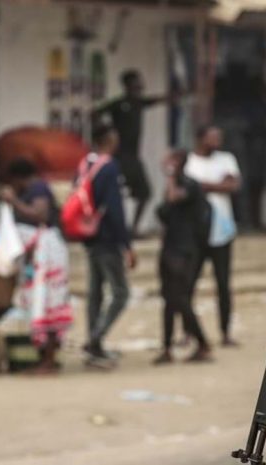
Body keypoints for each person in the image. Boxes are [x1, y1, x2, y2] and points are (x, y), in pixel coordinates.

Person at [0, 158, 72, 373]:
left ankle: (48, 360)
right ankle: (44, 357)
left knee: (48, 305)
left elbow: (40, 214)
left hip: (49, 258)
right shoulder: (29, 191)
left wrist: (14, 202)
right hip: (37, 258)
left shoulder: (38, 188)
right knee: (37, 305)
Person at [83, 124, 137, 368]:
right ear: (109, 140)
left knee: (95, 292)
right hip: (107, 239)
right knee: (121, 292)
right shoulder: (109, 167)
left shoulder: (85, 165)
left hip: (89, 236)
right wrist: (126, 244)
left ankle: (94, 345)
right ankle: (95, 340)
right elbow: (115, 209)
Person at [92, 69, 170, 236]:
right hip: (119, 156)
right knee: (114, 194)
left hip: (134, 156)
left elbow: (155, 100)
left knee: (144, 193)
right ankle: (112, 228)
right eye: (137, 82)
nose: (140, 85)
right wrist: (105, 134)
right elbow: (95, 113)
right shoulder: (119, 104)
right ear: (128, 85)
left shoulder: (138, 103)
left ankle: (133, 229)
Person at [153, 149, 212, 364]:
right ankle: (167, 347)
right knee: (168, 300)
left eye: (170, 159)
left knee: (180, 298)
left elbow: (174, 198)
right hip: (170, 247)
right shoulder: (174, 184)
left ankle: (203, 343)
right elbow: (165, 213)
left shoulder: (188, 184)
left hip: (184, 250)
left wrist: (169, 176)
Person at [185, 125, 241, 347]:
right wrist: (218, 184)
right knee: (189, 284)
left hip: (222, 231)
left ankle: (225, 332)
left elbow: (233, 185)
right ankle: (189, 332)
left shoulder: (226, 158)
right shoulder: (189, 162)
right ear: (200, 138)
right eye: (212, 137)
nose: (217, 141)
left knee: (223, 284)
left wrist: (201, 186)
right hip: (195, 232)